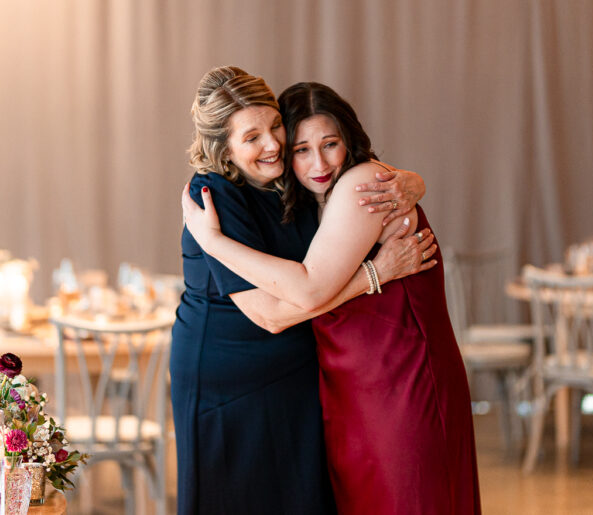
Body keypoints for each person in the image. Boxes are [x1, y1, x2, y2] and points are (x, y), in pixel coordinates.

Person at [183, 81, 481, 514]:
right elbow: (280, 308)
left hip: (400, 382)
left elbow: (309, 290)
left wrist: (213, 242)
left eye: (330, 144)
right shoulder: (303, 200)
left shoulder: (362, 185)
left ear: (349, 139)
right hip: (351, 387)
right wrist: (377, 271)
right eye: (301, 149)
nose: (317, 162)